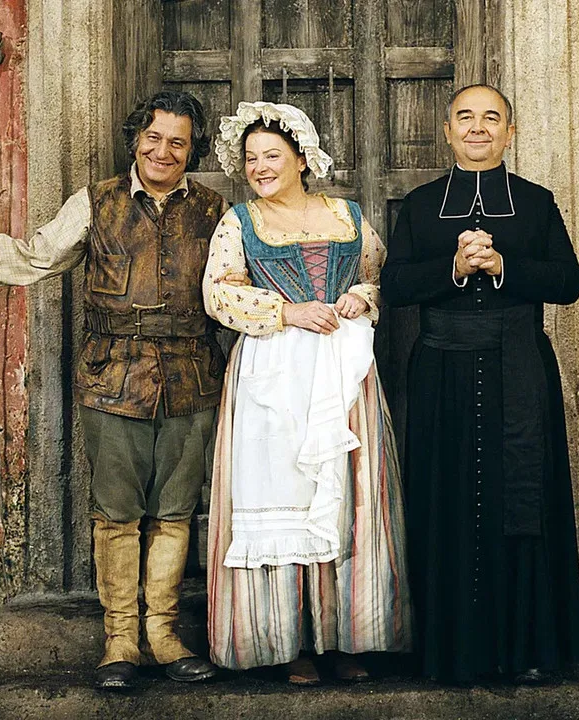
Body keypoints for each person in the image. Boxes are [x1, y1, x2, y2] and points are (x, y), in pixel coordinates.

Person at [0, 90, 225, 691]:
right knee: (117, 513)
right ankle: (120, 640)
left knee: (176, 511)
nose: (163, 151)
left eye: (178, 143)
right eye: (153, 138)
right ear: (136, 139)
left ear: (192, 150)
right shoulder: (94, 203)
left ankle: (163, 634)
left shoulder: (216, 211)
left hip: (192, 380)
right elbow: (32, 258)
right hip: (113, 378)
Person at [380, 83, 579, 684]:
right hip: (440, 373)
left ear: (509, 132)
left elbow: (569, 282)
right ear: (447, 131)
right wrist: (451, 268)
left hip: (518, 368)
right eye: (466, 117)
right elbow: (394, 287)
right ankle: (451, 652)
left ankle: (526, 649)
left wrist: (504, 267)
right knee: (444, 500)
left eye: (491, 117)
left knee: (521, 501)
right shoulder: (421, 206)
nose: (478, 127)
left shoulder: (537, 202)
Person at [202, 101, 412, 686]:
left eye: (272, 155)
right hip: (272, 371)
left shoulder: (347, 215)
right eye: (251, 158)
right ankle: (288, 641)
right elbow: (217, 293)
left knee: (347, 493)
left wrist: (360, 298)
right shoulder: (239, 222)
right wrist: (288, 311)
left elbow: (380, 276)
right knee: (283, 492)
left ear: (302, 158)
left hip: (343, 371)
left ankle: (345, 637)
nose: (260, 167)